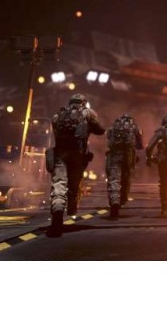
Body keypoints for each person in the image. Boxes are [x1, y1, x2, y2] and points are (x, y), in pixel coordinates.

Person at [47, 92, 104, 235]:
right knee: (75, 183)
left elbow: (56, 134)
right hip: (78, 155)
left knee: (59, 184)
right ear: (83, 103)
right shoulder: (88, 113)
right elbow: (100, 130)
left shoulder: (58, 115)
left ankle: (57, 212)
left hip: (60, 153)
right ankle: (72, 208)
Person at [105, 113, 143, 220]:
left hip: (115, 156)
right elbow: (140, 145)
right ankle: (123, 198)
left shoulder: (113, 127)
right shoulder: (135, 127)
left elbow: (108, 139)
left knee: (114, 180)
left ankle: (114, 202)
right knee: (126, 178)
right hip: (128, 156)